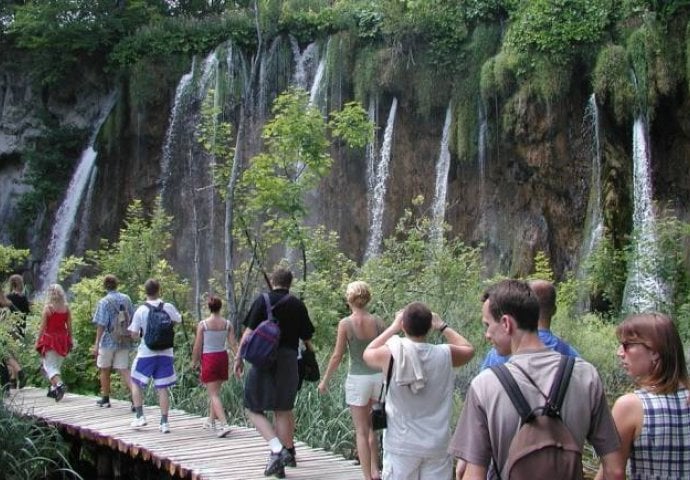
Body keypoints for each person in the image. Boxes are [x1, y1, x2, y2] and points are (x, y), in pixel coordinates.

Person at [448, 279, 624, 480]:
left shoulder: (484, 385)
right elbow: (615, 470)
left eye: (488, 325)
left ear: (506, 323)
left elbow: (472, 476)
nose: (487, 334)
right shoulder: (587, 376)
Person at [362, 301, 475, 480]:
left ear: (404, 325)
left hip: (401, 444)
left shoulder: (389, 355)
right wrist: (442, 326)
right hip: (437, 445)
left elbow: (368, 352)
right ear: (430, 327)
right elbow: (469, 349)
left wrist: (393, 327)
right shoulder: (445, 354)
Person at [234, 267, 315, 478]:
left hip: (263, 359)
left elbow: (248, 333)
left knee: (252, 407)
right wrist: (312, 360)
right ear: (291, 283)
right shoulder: (297, 304)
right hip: (289, 360)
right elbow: (307, 337)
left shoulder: (262, 300)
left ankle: (276, 447)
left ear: (272, 280)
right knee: (283, 408)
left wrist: (238, 358)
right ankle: (285, 453)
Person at [594, 312, 690, 480]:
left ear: (655, 352)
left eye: (627, 345)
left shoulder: (631, 406)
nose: (620, 353)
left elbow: (612, 473)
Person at [318, 281, 385, 480]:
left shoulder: (345, 324)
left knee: (361, 431)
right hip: (378, 377)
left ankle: (366, 476)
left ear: (349, 299)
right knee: (375, 428)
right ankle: (375, 471)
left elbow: (337, 356)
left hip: (358, 379)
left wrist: (325, 381)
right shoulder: (378, 321)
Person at [481, 279, 578, 369]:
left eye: (488, 325)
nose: (487, 335)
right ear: (554, 310)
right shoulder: (572, 356)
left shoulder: (497, 354)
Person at [128, 278, 182, 434]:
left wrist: (141, 334)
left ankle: (140, 416)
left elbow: (134, 334)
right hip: (166, 352)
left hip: (146, 352)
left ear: (145, 292)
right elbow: (177, 320)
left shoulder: (141, 310)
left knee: (135, 381)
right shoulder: (168, 307)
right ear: (159, 290)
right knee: (162, 387)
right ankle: (164, 422)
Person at [192, 294, 237, 438]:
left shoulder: (203, 324)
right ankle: (210, 421)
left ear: (209, 307)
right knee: (216, 392)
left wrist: (194, 360)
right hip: (222, 357)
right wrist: (238, 358)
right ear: (220, 307)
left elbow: (198, 345)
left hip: (209, 358)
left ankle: (224, 424)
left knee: (213, 394)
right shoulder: (227, 324)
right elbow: (233, 344)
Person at [91, 274, 135, 408]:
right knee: (124, 369)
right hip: (124, 339)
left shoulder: (104, 302)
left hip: (108, 340)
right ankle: (136, 398)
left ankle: (105, 399)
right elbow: (132, 317)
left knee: (104, 369)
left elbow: (101, 324)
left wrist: (96, 344)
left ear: (105, 286)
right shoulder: (126, 299)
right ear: (117, 284)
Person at [35, 283, 72, 402]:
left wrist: (37, 341)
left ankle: (59, 385)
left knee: (48, 366)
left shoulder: (48, 308)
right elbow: (70, 327)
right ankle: (54, 390)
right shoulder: (66, 308)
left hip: (50, 339)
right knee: (56, 366)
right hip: (63, 340)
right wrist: (70, 340)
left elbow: (43, 327)